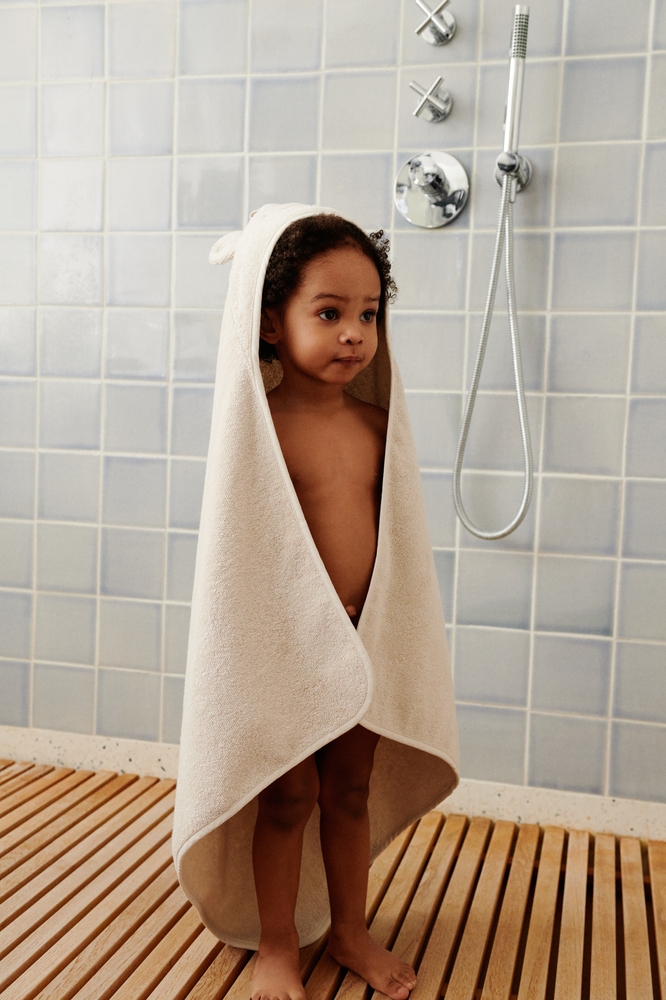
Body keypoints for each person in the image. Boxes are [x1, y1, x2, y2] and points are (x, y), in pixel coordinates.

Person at [251, 215, 416, 1000]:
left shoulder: (380, 429)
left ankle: (349, 930)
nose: (353, 333)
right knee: (287, 795)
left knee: (349, 790)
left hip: (360, 640)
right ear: (269, 325)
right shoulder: (260, 433)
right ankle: (276, 943)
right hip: (287, 643)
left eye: (368, 314)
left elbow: (402, 550)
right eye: (328, 312)